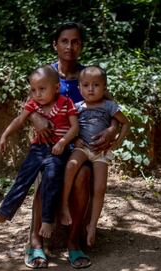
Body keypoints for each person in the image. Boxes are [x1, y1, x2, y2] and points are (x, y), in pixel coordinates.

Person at [27, 22, 119, 269]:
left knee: (84, 176)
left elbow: (113, 111)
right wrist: (36, 118)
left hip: (82, 148)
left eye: (75, 41)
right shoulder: (48, 74)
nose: (70, 46)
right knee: (48, 173)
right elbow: (29, 106)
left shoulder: (88, 76)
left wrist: (111, 130)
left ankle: (74, 241)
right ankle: (35, 241)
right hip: (52, 145)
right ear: (55, 45)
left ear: (81, 46)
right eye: (64, 41)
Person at [0, 65, 79, 266]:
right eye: (33, 90)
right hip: (38, 150)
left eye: (42, 89)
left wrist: (62, 142)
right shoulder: (34, 105)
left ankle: (47, 221)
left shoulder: (66, 102)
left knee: (51, 180)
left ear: (56, 87)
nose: (37, 94)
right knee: (22, 179)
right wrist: (5, 135)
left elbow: (75, 127)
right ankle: (4, 212)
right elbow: (20, 119)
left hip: (57, 151)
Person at [60, 65, 130, 248]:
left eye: (96, 85)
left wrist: (117, 142)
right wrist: (75, 141)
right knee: (71, 166)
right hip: (82, 148)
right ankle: (64, 205)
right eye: (86, 85)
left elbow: (125, 123)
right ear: (79, 88)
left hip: (101, 153)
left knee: (100, 188)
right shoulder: (76, 107)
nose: (91, 89)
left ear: (105, 88)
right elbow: (70, 128)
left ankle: (92, 226)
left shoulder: (109, 106)